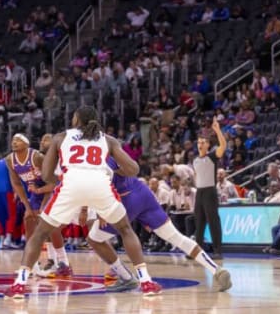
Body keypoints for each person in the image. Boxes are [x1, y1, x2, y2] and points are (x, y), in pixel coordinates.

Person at [4, 106, 162, 300]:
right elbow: (134, 169)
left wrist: (63, 182)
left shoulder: (61, 137)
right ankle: (146, 281)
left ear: (77, 120)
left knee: (40, 234)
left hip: (71, 184)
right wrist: (113, 172)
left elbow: (46, 175)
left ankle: (19, 284)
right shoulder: (108, 140)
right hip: (100, 185)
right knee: (125, 229)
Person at [86, 157, 232, 292]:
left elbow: (104, 184)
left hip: (124, 199)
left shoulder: (96, 158)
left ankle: (128, 277)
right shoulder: (112, 148)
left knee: (95, 238)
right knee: (176, 237)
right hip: (142, 191)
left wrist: (99, 209)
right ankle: (216, 270)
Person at [5, 133, 70, 277]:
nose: (14, 142)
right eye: (13, 140)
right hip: (36, 193)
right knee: (28, 221)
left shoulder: (37, 157)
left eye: (18, 140)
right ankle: (32, 265)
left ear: (27, 144)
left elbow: (53, 184)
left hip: (52, 190)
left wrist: (43, 206)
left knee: (49, 225)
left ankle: (60, 261)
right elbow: (16, 184)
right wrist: (28, 207)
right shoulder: (10, 160)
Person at [192, 119, 226, 260]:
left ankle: (217, 250)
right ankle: (197, 251)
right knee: (198, 222)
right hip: (199, 192)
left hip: (210, 192)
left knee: (213, 222)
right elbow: (196, 176)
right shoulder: (195, 160)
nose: (200, 144)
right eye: (199, 142)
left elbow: (223, 146)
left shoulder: (212, 157)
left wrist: (217, 130)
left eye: (203, 142)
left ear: (208, 145)